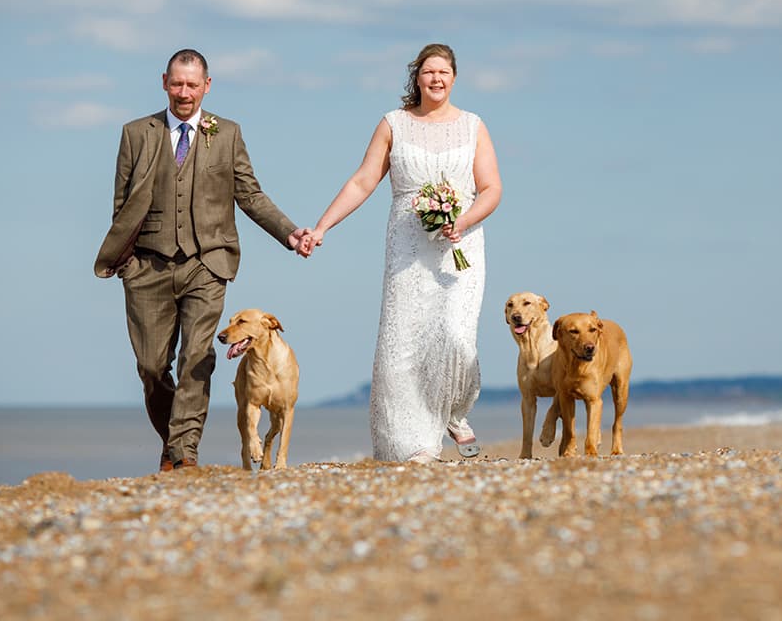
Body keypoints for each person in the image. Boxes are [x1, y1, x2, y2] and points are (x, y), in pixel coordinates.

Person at [94, 48, 310, 472]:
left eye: (193, 84)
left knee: (197, 355)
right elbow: (121, 205)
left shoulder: (226, 133)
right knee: (152, 366)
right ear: (164, 83)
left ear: (207, 86)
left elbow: (250, 194)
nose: (184, 92)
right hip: (147, 266)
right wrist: (127, 264)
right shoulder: (137, 133)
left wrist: (289, 232)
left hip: (207, 264)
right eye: (177, 83)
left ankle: (185, 452)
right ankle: (172, 438)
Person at [302, 43, 502, 463]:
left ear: (454, 77)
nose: (436, 79)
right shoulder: (394, 124)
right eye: (428, 72)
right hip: (407, 245)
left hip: (459, 247)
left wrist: (462, 220)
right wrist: (321, 227)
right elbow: (362, 182)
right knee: (402, 348)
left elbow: (491, 189)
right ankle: (414, 446)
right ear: (417, 77)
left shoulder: (473, 126)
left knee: (456, 337)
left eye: (444, 72)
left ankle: (454, 411)